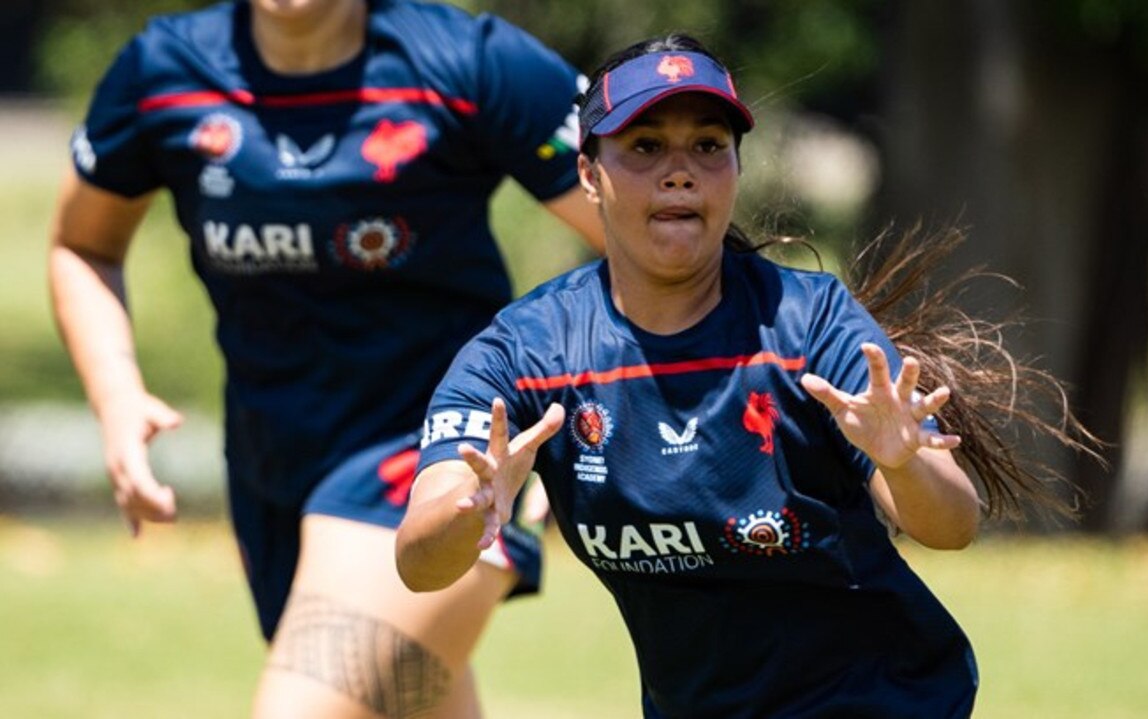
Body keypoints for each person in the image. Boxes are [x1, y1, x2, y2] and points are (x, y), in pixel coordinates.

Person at [396, 34, 1094, 718]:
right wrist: (470, 511)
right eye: (644, 147)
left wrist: (904, 461)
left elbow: (952, 522)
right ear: (587, 174)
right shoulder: (528, 351)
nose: (680, 171)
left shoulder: (808, 323)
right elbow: (418, 562)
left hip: (877, 697)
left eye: (707, 145)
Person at [48, 0, 604, 716]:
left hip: (436, 456)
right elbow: (82, 244)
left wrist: (593, 408)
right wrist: (116, 394)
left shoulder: (469, 62)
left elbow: (647, 230)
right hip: (272, 470)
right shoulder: (164, 74)